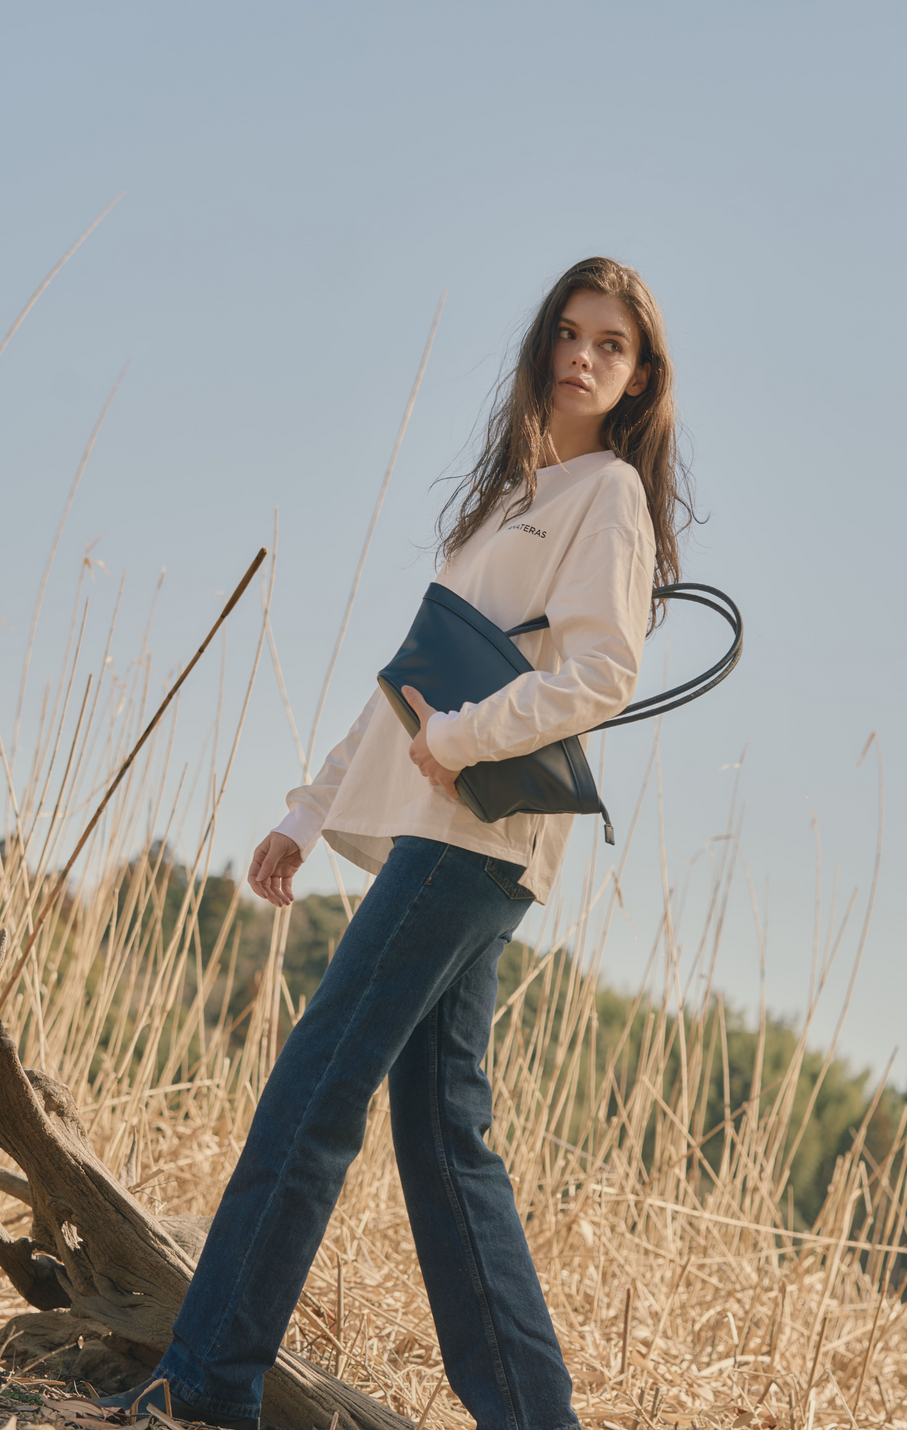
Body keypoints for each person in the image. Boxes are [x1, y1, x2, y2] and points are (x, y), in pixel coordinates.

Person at [99, 257, 695, 1430]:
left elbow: (601, 673)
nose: (581, 355)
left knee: (315, 1086)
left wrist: (469, 735)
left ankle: (205, 1385)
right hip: (449, 828)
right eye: (568, 332)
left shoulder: (607, 497)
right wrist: (309, 807)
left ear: (637, 379)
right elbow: (412, 682)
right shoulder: (512, 500)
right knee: (441, 1131)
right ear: (543, 347)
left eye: (609, 344)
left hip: (474, 837)